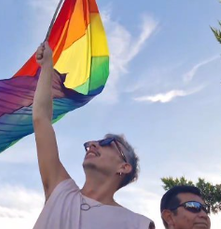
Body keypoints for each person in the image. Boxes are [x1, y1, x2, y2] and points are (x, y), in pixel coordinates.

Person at [32, 42, 155, 229]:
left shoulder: (138, 224)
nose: (92, 145)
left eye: (107, 142)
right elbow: (41, 118)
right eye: (92, 142)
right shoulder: (60, 191)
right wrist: (48, 65)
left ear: (124, 166)